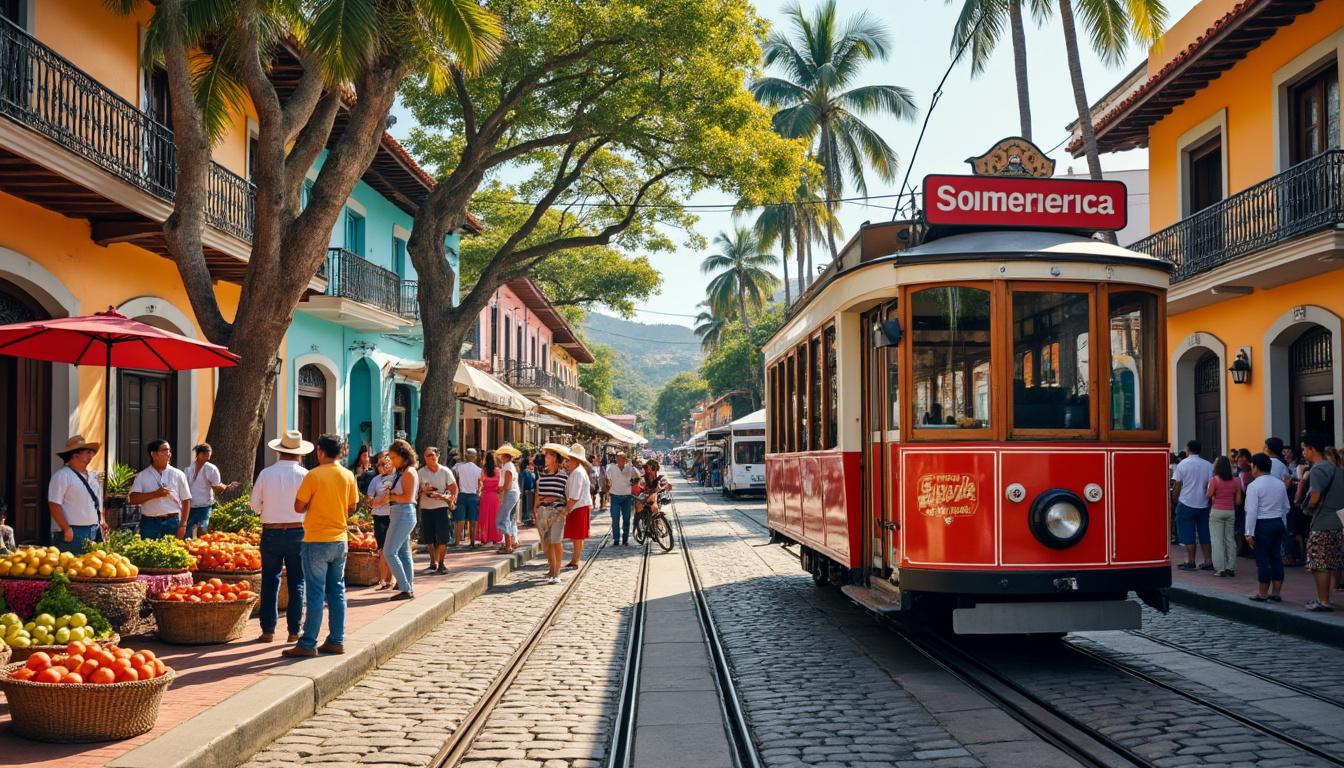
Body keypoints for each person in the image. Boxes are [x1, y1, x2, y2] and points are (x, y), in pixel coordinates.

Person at [284, 433, 358, 657]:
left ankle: (308, 644)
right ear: (340, 453)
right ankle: (336, 639)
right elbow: (352, 507)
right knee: (337, 591)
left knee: (315, 593)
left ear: (321, 452)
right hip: (339, 540)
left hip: (316, 539)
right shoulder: (348, 475)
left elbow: (298, 507)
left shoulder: (313, 475)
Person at [252, 430, 313, 644]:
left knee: (270, 580)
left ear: (279, 452)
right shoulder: (305, 475)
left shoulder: (266, 473)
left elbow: (254, 505)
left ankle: (268, 630)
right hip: (298, 531)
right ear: (299, 454)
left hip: (271, 531)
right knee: (298, 581)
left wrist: (269, 511)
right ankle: (294, 631)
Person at [1300, 432, 1344, 612]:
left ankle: (1323, 600)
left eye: (1304, 449)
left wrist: (1310, 506)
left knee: (1320, 564)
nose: (1303, 452)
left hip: (1323, 522)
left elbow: (1316, 495)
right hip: (1338, 521)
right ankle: (1324, 599)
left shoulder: (1318, 469)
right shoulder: (1336, 469)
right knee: (1330, 562)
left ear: (1311, 448)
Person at [48, 436, 107, 552]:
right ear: (75, 455)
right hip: (73, 532)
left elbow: (98, 503)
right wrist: (66, 528)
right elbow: (54, 504)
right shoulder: (62, 476)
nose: (91, 456)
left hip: (93, 530)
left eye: (91, 453)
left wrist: (102, 521)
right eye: (88, 452)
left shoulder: (93, 477)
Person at [1245, 452, 1290, 602]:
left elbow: (1251, 511)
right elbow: (1286, 507)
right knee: (1276, 557)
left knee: (1262, 559)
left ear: (1255, 467)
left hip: (1262, 523)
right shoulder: (1279, 484)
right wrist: (1283, 524)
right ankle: (1276, 592)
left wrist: (1248, 532)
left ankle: (1263, 592)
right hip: (1277, 522)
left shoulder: (1254, 486)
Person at [128, 439, 192, 539]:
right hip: (150, 523)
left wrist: (183, 525)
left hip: (173, 522)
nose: (169, 454)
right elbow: (132, 499)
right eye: (165, 450)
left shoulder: (179, 475)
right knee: (149, 553)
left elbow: (186, 500)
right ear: (154, 454)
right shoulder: (142, 476)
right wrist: (155, 494)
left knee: (173, 553)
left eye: (169, 450)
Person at [383, 439, 420, 601]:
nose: (392, 460)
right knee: (404, 553)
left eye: (393, 457)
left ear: (403, 456)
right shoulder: (402, 471)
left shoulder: (409, 473)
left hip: (404, 514)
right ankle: (407, 587)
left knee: (389, 552)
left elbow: (408, 497)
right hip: (399, 513)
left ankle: (405, 587)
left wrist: (390, 496)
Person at [1170, 439, 1214, 571]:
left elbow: (1177, 484)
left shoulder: (1183, 464)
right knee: (1204, 532)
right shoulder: (1208, 465)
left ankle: (1191, 560)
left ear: (1188, 450)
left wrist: (1174, 498)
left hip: (1186, 501)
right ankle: (1207, 560)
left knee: (1187, 532)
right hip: (1203, 503)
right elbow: (1210, 484)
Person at [183, 443, 238, 539]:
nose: (208, 458)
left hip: (205, 506)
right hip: (190, 506)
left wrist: (225, 487)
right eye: (205, 455)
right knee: (186, 533)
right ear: (199, 454)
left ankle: (202, 550)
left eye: (209, 456)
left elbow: (216, 487)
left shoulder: (211, 469)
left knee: (203, 530)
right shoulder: (188, 470)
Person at [417, 446, 457, 575]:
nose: (431, 457)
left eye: (433, 455)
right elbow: (415, 491)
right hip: (426, 508)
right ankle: (432, 562)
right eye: (428, 455)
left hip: (441, 508)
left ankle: (441, 563)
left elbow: (454, 489)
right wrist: (424, 491)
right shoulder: (420, 473)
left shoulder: (445, 471)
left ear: (437, 456)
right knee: (429, 539)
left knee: (442, 538)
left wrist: (450, 500)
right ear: (424, 458)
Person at [534, 444, 570, 584]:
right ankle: (552, 567)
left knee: (556, 541)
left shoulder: (563, 476)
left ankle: (556, 573)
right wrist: (535, 509)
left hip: (557, 511)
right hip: (543, 512)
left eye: (548, 455)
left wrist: (565, 511)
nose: (545, 457)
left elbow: (567, 495)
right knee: (546, 544)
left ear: (555, 458)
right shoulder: (542, 474)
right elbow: (538, 492)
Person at [1206, 456, 1242, 578]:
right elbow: (1238, 502)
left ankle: (1220, 568)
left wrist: (1214, 496)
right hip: (1230, 511)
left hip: (1216, 511)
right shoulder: (1236, 480)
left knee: (1217, 540)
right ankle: (1230, 567)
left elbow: (1208, 495)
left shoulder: (1214, 480)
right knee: (1229, 539)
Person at [562, 444, 593, 569]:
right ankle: (575, 559)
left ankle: (575, 560)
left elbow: (574, 496)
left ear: (575, 460)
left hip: (578, 507)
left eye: (569, 460)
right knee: (577, 536)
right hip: (578, 506)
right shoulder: (576, 472)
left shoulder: (578, 473)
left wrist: (566, 509)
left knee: (577, 536)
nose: (566, 462)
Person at [367, 452, 394, 590]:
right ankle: (383, 580)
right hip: (379, 517)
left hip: (393, 515)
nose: (380, 467)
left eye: (384, 464)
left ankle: (391, 579)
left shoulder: (397, 478)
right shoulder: (375, 480)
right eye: (378, 464)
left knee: (392, 548)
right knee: (382, 548)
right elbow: (370, 500)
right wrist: (381, 500)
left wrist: (382, 500)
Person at [604, 451, 638, 546]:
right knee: (615, 518)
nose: (619, 461)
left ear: (625, 460)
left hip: (627, 496)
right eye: (618, 459)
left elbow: (637, 478)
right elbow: (607, 479)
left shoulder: (629, 468)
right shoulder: (611, 468)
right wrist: (607, 489)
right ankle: (616, 539)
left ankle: (625, 538)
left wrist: (633, 483)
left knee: (626, 519)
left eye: (621, 459)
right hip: (614, 496)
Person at [494, 444, 522, 555]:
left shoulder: (507, 467)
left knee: (503, 518)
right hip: (512, 493)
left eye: (501, 455)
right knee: (510, 518)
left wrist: (499, 490)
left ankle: (508, 545)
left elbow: (506, 484)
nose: (500, 457)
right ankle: (511, 543)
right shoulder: (509, 466)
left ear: (505, 456)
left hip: (510, 493)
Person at [454, 448, 483, 548]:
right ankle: (472, 542)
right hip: (473, 495)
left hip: (461, 494)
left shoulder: (459, 467)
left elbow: (457, 480)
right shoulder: (479, 470)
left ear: (466, 456)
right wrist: (478, 491)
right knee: (473, 519)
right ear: (475, 457)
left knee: (460, 519)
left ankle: (457, 541)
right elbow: (480, 484)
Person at [478, 452, 502, 545]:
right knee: (495, 517)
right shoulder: (498, 470)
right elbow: (500, 484)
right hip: (495, 496)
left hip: (485, 496)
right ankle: (495, 538)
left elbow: (481, 482)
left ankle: (485, 537)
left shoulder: (483, 471)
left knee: (485, 517)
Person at [519, 451, 536, 526]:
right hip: (529, 490)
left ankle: (527, 519)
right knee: (528, 505)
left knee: (526, 505)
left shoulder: (525, 471)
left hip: (526, 490)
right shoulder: (528, 471)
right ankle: (528, 519)